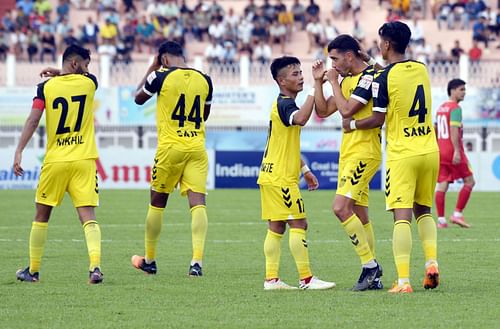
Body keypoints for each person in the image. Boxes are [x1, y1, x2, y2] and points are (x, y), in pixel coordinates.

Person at [342, 21, 439, 293]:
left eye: (380, 41)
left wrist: (350, 125)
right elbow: (395, 74)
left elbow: (376, 119)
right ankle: (431, 263)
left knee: (402, 217)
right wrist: (371, 60)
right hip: (429, 150)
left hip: (402, 153)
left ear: (386, 43)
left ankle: (404, 281)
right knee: (424, 211)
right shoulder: (421, 68)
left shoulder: (383, 78)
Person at [13, 44, 103, 284]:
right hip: (83, 160)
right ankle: (95, 268)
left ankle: (33, 270)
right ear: (75, 64)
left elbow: (33, 120)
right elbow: (83, 76)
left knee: (41, 215)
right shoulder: (90, 83)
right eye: (85, 64)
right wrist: (63, 72)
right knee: (88, 217)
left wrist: (19, 150)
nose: (87, 69)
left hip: (55, 160)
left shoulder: (45, 88)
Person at [131, 41, 213, 277]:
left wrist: (151, 69)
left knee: (157, 203)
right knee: (198, 204)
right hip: (196, 147)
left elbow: (137, 99)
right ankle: (196, 262)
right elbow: (204, 115)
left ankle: (150, 260)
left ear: (164, 59)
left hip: (170, 148)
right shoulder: (205, 79)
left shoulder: (159, 75)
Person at [258, 56, 336, 291]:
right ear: (281, 81)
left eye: (301, 73)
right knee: (299, 223)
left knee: (277, 227)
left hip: (272, 175)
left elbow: (285, 143)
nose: (300, 77)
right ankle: (307, 279)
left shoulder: (283, 103)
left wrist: (305, 169)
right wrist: (315, 87)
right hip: (280, 178)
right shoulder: (284, 104)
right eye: (295, 74)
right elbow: (301, 119)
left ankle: (272, 279)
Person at [313, 34, 383, 291]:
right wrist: (319, 83)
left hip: (364, 152)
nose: (332, 64)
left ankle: (370, 266)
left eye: (335, 58)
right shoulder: (347, 79)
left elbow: (345, 111)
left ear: (349, 56)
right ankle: (373, 275)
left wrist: (332, 82)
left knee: (340, 208)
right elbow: (323, 111)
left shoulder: (368, 77)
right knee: (360, 214)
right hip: (349, 152)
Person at [435, 79, 475, 229]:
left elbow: (435, 128)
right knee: (470, 181)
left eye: (464, 90)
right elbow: (453, 131)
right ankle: (457, 214)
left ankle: (441, 221)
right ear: (452, 90)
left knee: (442, 184)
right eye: (461, 89)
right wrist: (457, 151)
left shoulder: (441, 108)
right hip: (453, 150)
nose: (464, 92)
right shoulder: (455, 108)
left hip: (441, 150)